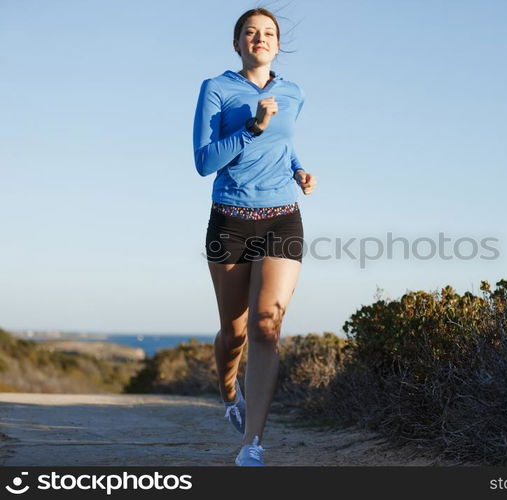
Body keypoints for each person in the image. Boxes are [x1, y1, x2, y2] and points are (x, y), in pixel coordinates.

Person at [192, 7, 317, 467]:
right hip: (231, 220)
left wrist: (299, 169)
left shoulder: (294, 93)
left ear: (278, 44)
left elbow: (284, 143)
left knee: (268, 325)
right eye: (251, 32)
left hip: (283, 216)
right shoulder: (216, 89)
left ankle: (252, 443)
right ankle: (229, 388)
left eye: (268, 33)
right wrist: (251, 127)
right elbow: (204, 161)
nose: (260, 38)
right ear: (237, 43)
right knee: (236, 330)